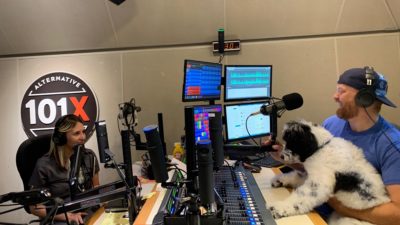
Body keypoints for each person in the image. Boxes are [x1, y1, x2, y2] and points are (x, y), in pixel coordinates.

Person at [268, 67, 400, 225]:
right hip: (318, 210)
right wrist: (286, 158)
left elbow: (396, 214)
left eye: (341, 91)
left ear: (364, 98)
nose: (334, 96)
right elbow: (320, 170)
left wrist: (339, 205)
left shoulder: (392, 145)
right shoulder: (332, 123)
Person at [28, 114, 100, 225]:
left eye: (83, 132)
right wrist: (68, 216)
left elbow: (96, 188)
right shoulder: (44, 165)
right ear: (61, 138)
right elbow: (35, 207)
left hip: (87, 213)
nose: (83, 137)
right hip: (60, 218)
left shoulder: (89, 156)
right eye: (77, 133)